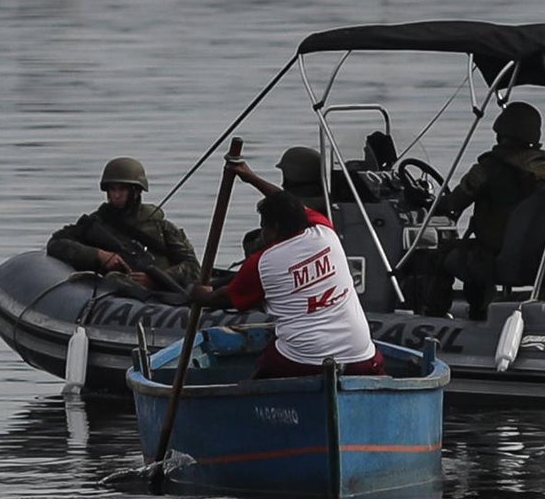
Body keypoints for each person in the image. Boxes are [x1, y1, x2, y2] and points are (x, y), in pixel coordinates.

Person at [192, 190, 384, 379]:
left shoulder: (261, 263)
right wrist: (249, 176)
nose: (262, 234)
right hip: (361, 355)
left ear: (274, 228)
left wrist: (200, 295)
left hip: (303, 361)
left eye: (263, 228)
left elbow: (226, 299)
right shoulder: (325, 232)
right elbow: (293, 204)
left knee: (265, 367)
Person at [425, 101, 545, 320]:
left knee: (439, 255)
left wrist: (431, 203)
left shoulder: (489, 167)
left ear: (500, 132)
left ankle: (435, 319)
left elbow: (453, 204)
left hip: (496, 260)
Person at [46, 157, 200, 291]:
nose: (117, 195)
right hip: (118, 296)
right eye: (113, 189)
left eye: (122, 190)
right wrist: (98, 255)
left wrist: (156, 279)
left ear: (136, 191)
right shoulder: (96, 223)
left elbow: (192, 267)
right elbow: (57, 243)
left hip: (164, 294)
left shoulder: (161, 226)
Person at [233, 145, 326, 255]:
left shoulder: (305, 209)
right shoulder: (328, 203)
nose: (282, 183)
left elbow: (287, 202)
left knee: (251, 240)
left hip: (298, 252)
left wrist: (252, 179)